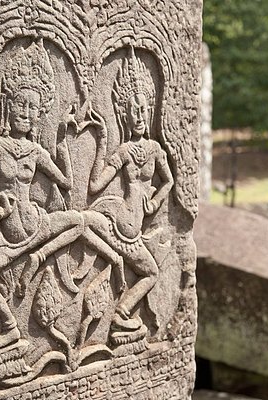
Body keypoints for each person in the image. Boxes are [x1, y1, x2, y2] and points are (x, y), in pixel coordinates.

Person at [0, 41, 121, 349]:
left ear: (39, 115)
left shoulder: (35, 151)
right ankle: (10, 327)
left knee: (78, 221)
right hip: (8, 233)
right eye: (21, 104)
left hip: (34, 227)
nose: (26, 113)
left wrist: (61, 141)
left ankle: (39, 257)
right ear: (9, 106)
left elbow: (66, 183)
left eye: (33, 108)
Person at [81, 47, 174, 333]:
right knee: (151, 272)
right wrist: (103, 138)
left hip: (137, 227)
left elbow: (168, 181)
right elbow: (95, 186)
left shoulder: (156, 150)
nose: (139, 115)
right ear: (124, 113)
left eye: (144, 108)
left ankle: (120, 311)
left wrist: (156, 202)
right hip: (122, 227)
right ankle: (120, 312)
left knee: (152, 272)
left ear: (151, 109)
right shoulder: (122, 152)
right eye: (134, 110)